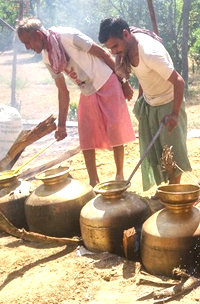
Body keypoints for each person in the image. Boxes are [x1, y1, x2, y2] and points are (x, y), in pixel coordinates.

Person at [16, 17, 135, 187]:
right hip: (87, 91)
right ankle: (94, 182)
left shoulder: (68, 36)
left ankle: (120, 176)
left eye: (28, 42)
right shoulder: (47, 57)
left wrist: (123, 81)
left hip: (107, 81)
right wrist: (62, 125)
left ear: (38, 35)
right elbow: (63, 91)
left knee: (115, 128)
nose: (28, 47)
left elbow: (103, 54)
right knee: (86, 135)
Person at [98, 17, 192, 192]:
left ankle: (173, 191)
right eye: (110, 49)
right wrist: (142, 100)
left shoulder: (149, 53)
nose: (113, 53)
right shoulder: (128, 49)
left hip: (168, 103)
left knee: (172, 150)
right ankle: (165, 190)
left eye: (114, 47)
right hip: (150, 103)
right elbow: (144, 76)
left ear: (125, 34)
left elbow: (179, 82)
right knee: (156, 150)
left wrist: (175, 114)